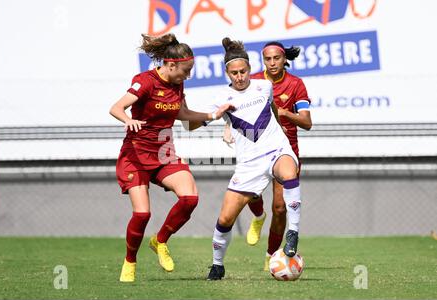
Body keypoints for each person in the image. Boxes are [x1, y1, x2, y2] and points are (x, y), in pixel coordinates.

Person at [109, 33, 233, 282]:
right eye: (186, 71)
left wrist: (213, 115)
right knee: (142, 214)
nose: (188, 76)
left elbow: (183, 115)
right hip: (135, 155)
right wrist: (128, 119)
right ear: (171, 65)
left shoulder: (177, 84)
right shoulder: (145, 81)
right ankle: (130, 262)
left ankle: (160, 241)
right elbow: (116, 108)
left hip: (164, 153)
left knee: (190, 198)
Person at [187, 37, 302, 280]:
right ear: (227, 73)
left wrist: (281, 136)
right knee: (225, 218)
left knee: (289, 173)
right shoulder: (221, 97)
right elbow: (190, 126)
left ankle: (293, 232)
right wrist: (215, 115)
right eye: (234, 73)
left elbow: (271, 111)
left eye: (243, 71)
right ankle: (217, 265)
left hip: (277, 150)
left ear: (250, 69)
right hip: (250, 164)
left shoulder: (265, 86)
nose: (239, 77)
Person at [236, 41, 312, 271]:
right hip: (255, 149)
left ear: (283, 59)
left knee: (280, 208)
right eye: (267, 59)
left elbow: (307, 122)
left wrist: (286, 112)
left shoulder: (295, 84)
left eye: (276, 58)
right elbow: (234, 106)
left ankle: (271, 256)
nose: (272, 63)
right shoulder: (254, 81)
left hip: (284, 151)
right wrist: (228, 128)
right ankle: (258, 216)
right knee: (250, 194)